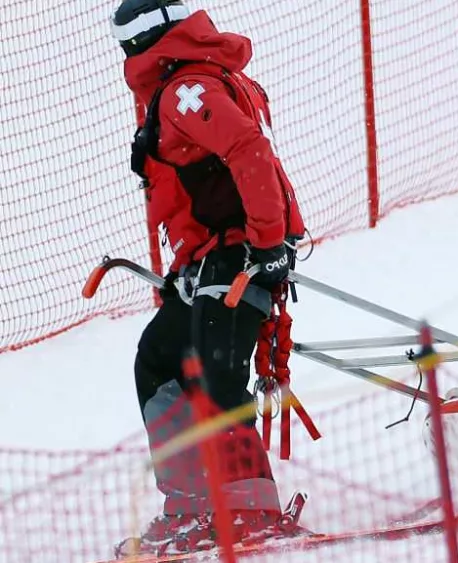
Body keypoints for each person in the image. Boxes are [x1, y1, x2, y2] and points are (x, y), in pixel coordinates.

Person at [111, 0, 306, 556]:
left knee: (216, 372)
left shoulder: (183, 91)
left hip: (240, 252)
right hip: (212, 256)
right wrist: (184, 270)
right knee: (159, 358)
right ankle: (194, 505)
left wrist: (268, 246)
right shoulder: (198, 78)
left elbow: (249, 151)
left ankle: (250, 511)